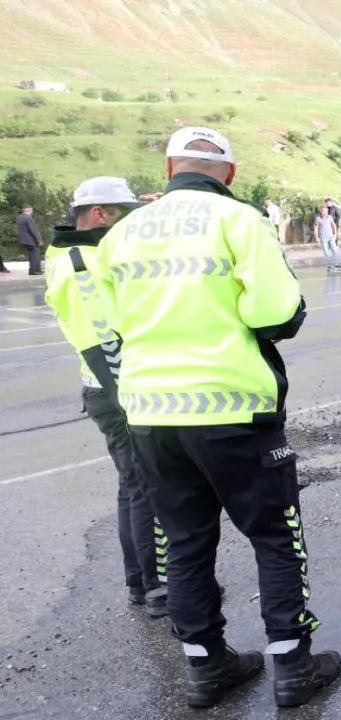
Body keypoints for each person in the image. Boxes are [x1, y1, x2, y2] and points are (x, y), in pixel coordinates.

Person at [96, 127, 341, 708]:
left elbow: (111, 327)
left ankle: (206, 668)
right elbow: (277, 310)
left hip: (151, 415)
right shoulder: (240, 221)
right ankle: (292, 667)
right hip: (233, 408)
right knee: (276, 539)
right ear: (227, 174)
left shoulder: (121, 234)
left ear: (167, 168)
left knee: (183, 543)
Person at [44, 177, 172, 617]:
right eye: (126, 214)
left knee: (132, 487)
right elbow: (102, 342)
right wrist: (132, 402)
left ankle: (140, 582)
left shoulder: (81, 252)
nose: (131, 223)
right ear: (100, 214)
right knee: (148, 488)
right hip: (117, 390)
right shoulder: (80, 263)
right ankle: (159, 588)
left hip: (110, 388)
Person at [17, 205, 44, 275]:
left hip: (24, 240)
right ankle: (34, 270)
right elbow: (33, 230)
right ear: (27, 210)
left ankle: (36, 269)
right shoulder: (28, 218)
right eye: (31, 211)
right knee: (35, 254)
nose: (31, 212)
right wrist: (39, 240)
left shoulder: (19, 218)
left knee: (32, 254)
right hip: (30, 240)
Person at [314, 205, 341, 272]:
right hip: (323, 238)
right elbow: (315, 228)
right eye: (323, 211)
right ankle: (329, 266)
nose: (325, 212)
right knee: (326, 252)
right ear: (321, 211)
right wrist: (316, 237)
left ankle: (337, 265)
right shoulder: (318, 218)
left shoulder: (330, 217)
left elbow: (333, 225)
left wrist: (335, 234)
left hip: (331, 237)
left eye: (326, 211)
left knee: (335, 250)